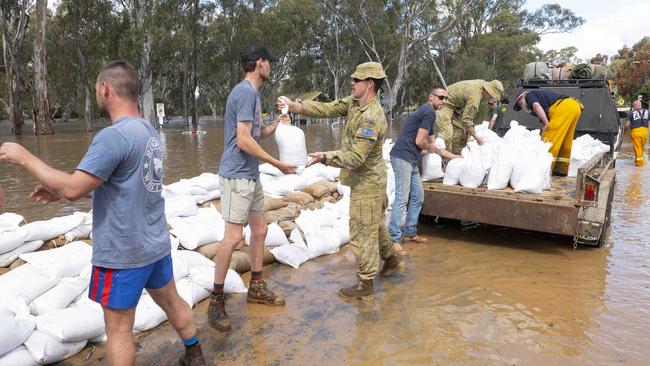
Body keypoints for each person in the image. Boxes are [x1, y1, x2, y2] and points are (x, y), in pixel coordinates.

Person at [0, 61, 206, 365]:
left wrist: (25, 157)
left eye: (97, 88)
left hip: (123, 253)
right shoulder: (147, 131)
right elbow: (121, 182)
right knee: (173, 302)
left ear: (105, 89)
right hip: (155, 245)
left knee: (119, 329)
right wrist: (61, 191)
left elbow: (74, 188)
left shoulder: (113, 137)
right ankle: (195, 354)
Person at [278, 62, 404, 301]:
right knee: (375, 224)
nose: (352, 83)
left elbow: (356, 157)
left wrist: (324, 157)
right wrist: (295, 106)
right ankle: (392, 259)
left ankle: (365, 283)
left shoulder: (373, 117)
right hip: (365, 180)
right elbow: (326, 109)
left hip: (369, 182)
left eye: (357, 80)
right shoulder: (354, 104)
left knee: (361, 230)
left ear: (370, 84)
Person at [208, 42, 296, 332]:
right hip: (236, 175)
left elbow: (255, 134)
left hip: (250, 174)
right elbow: (243, 141)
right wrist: (277, 164)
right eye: (268, 62)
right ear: (259, 63)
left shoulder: (253, 95)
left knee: (259, 230)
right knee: (232, 238)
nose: (270, 66)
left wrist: (276, 125)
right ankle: (216, 300)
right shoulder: (245, 93)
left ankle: (256, 287)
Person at [388, 86, 456, 254]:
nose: (444, 101)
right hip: (402, 156)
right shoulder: (428, 112)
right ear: (431, 97)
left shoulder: (430, 115)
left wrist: (456, 158)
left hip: (411, 159)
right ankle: (393, 240)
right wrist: (429, 147)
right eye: (441, 97)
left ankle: (410, 233)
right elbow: (420, 142)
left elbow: (434, 146)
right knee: (402, 198)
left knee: (418, 196)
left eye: (446, 98)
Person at [513, 89, 583, 176]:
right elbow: (545, 113)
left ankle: (542, 172)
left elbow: (536, 106)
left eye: (519, 103)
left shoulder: (529, 95)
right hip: (574, 106)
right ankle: (560, 170)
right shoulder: (541, 98)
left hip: (564, 107)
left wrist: (546, 124)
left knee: (549, 140)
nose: (520, 106)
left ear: (522, 96)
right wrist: (544, 124)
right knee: (565, 141)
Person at [434, 79, 504, 154]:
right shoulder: (475, 97)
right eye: (491, 96)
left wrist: (469, 130)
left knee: (461, 134)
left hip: (456, 108)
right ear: (487, 91)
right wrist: (476, 137)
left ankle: (456, 157)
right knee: (447, 132)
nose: (490, 99)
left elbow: (467, 119)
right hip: (444, 103)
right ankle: (444, 160)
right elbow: (466, 121)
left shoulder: (481, 84)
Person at [627, 100, 649, 167]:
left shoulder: (631, 113)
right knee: (641, 148)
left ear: (635, 105)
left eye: (633, 106)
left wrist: (623, 129)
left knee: (637, 148)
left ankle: (639, 166)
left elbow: (627, 124)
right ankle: (639, 162)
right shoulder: (648, 112)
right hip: (645, 131)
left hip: (636, 132)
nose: (633, 107)